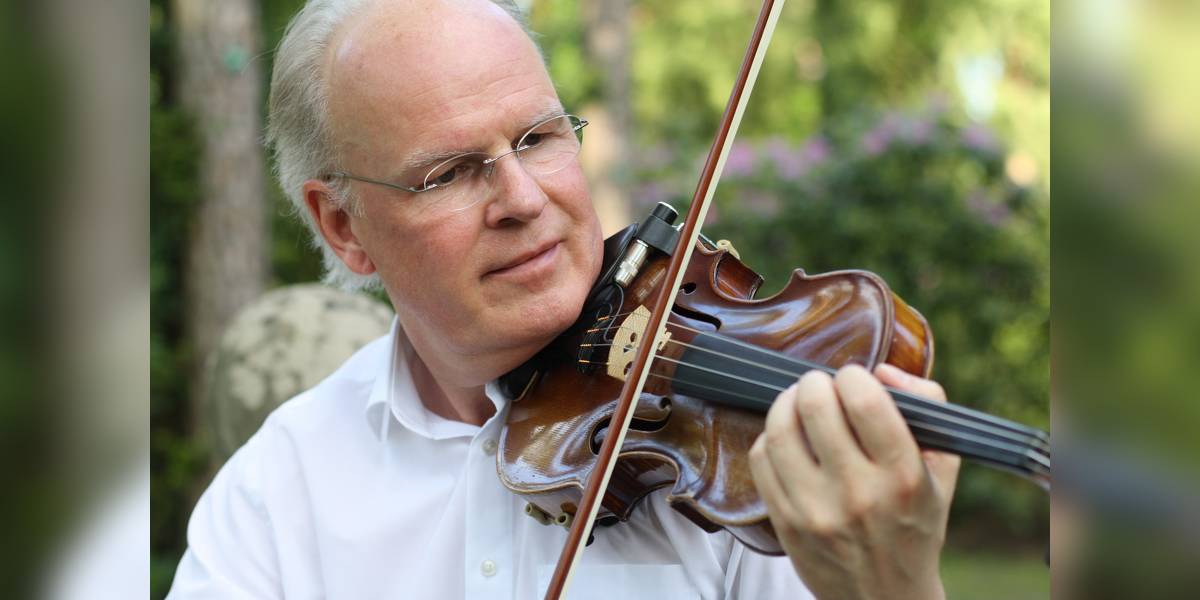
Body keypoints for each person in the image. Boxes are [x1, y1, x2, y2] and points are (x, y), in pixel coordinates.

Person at [167, 0, 960, 598]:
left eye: (537, 138)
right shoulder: (277, 494)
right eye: (449, 173)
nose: (523, 198)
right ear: (344, 226)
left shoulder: (740, 462)